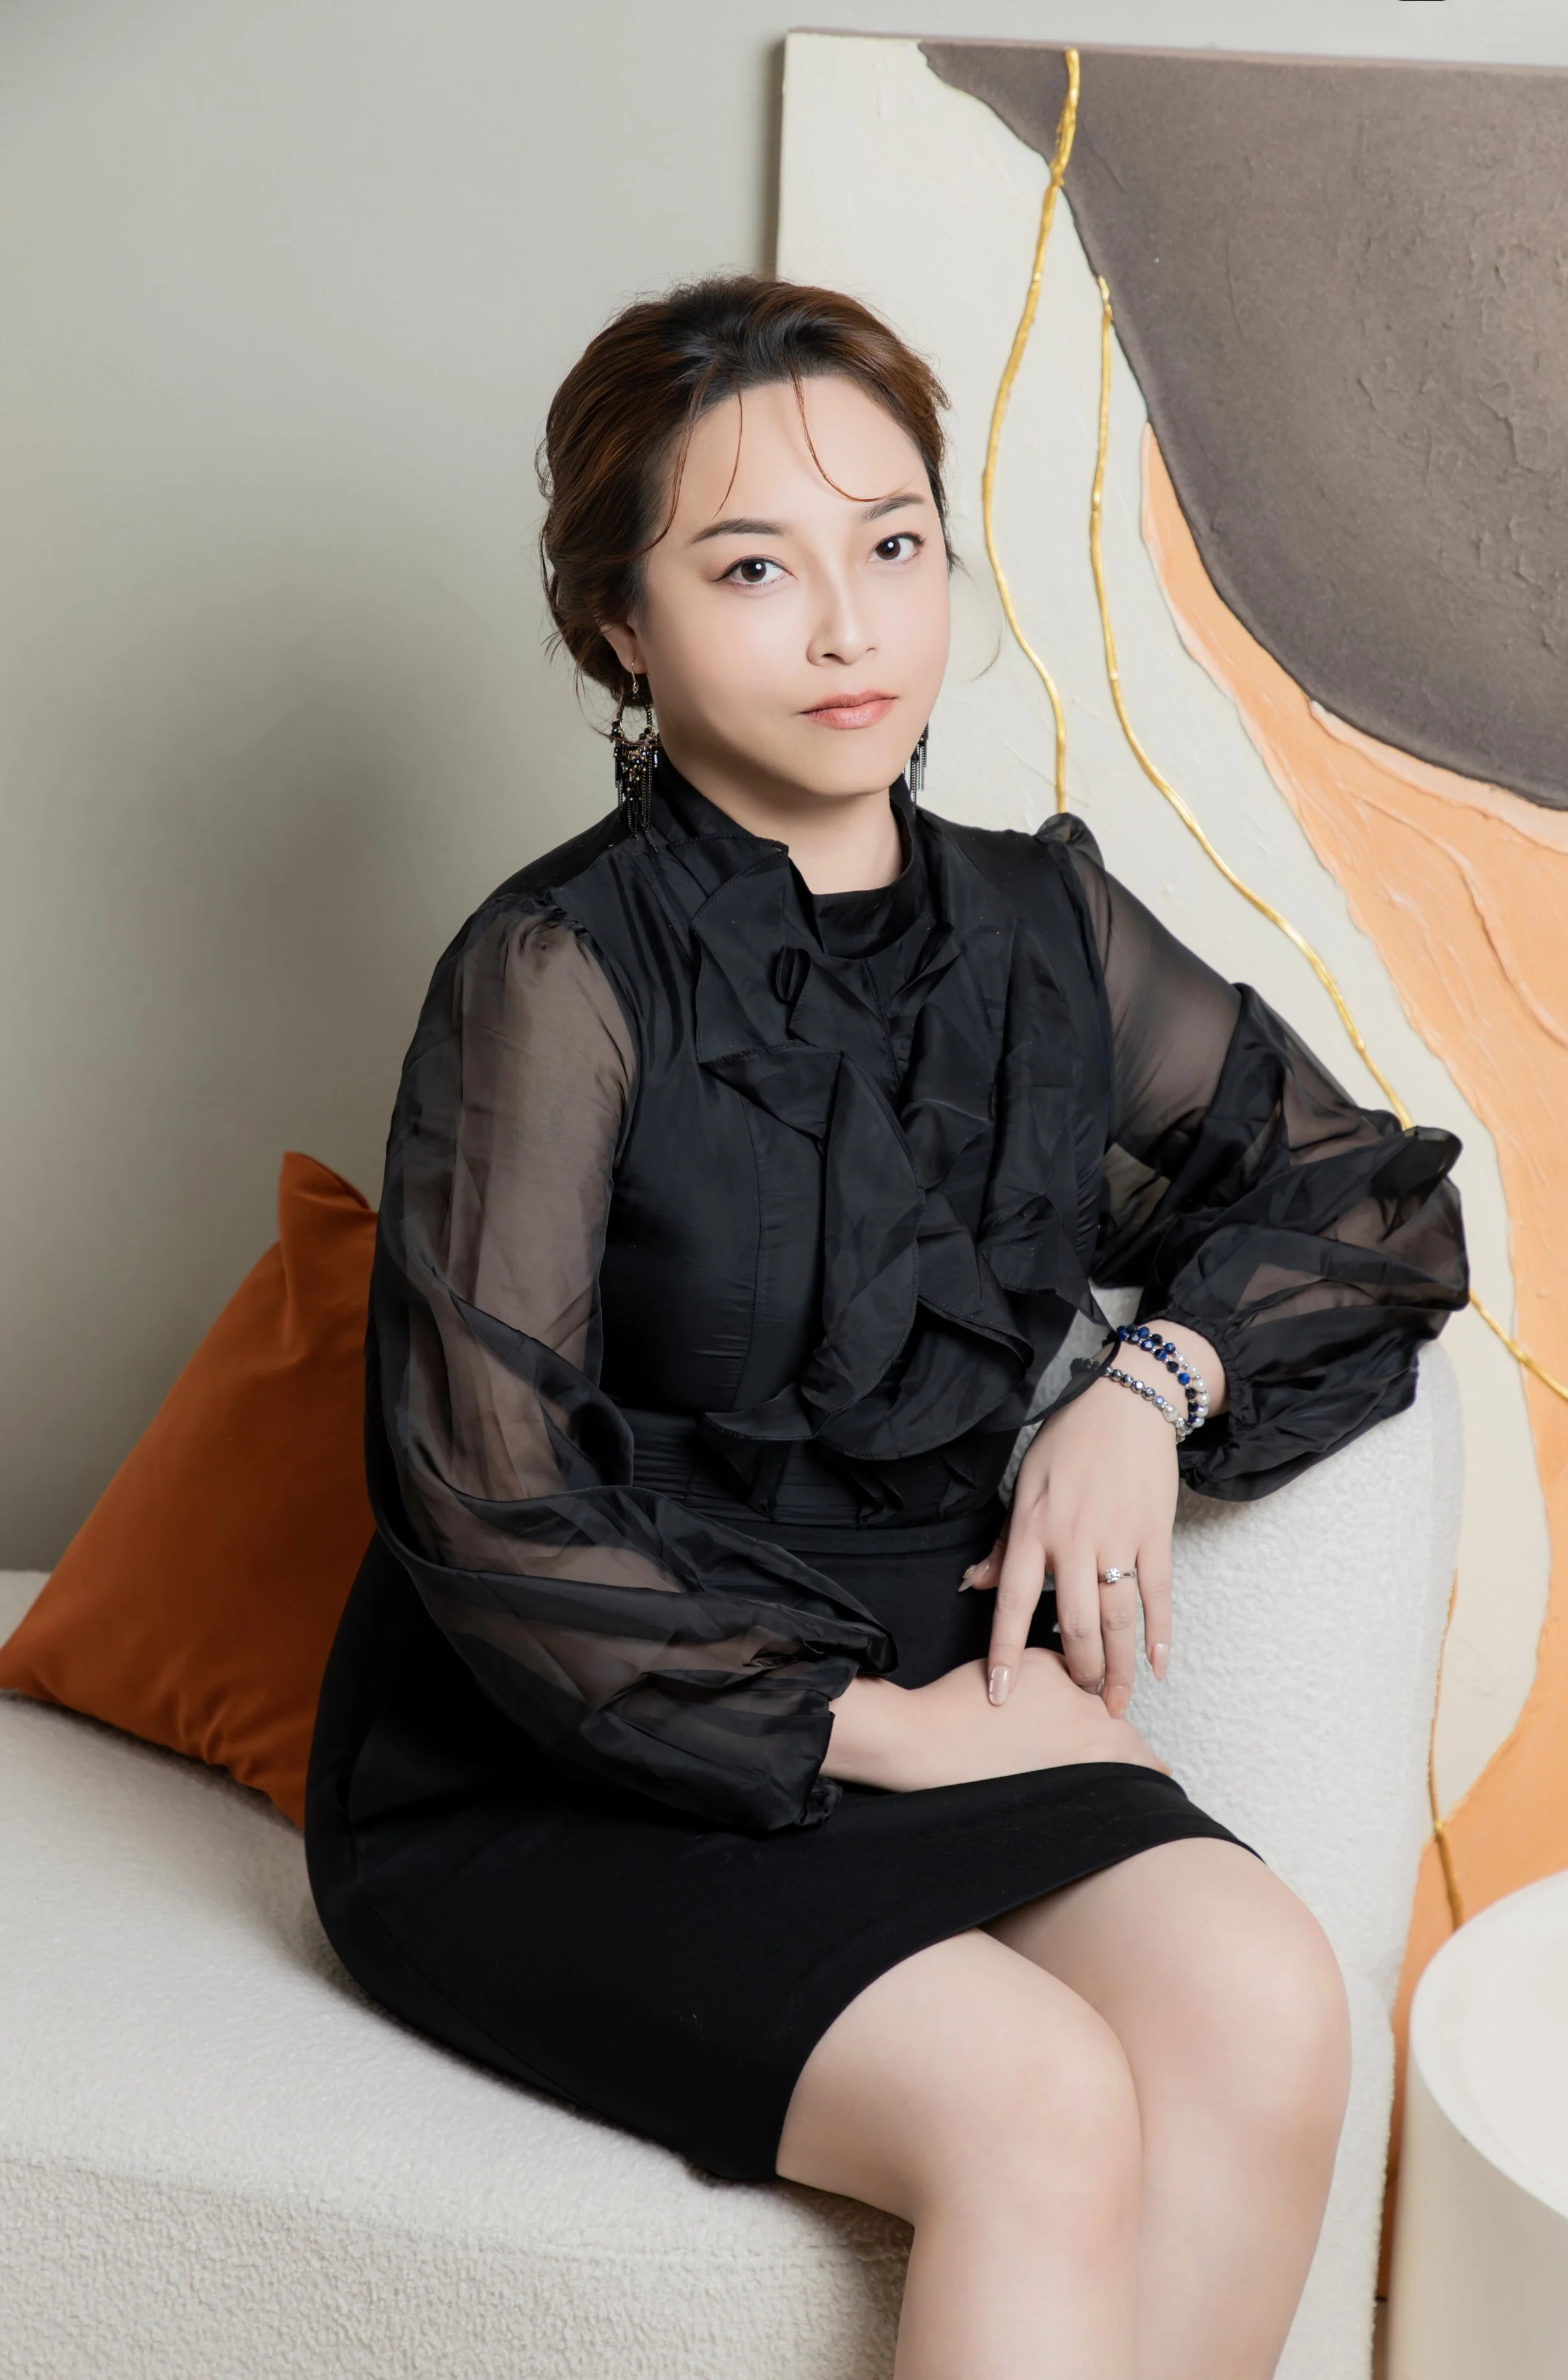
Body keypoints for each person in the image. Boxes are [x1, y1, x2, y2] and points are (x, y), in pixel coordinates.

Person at [304, 276, 1468, 2380]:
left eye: (894, 543)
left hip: (941, 1694)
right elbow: (479, 1493)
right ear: (619, 632)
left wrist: (1147, 1382)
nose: (848, 626)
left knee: (1267, 1998)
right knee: (1032, 2099)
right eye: (753, 565)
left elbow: (1357, 1196)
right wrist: (880, 1726)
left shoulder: (1044, 932)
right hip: (563, 1747)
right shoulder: (555, 970)